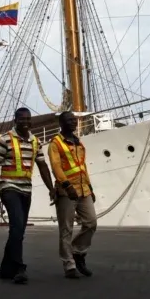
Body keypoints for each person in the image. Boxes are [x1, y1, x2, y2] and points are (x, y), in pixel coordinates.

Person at [0, 107, 54, 284]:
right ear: (15, 120)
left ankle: (5, 269)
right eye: (22, 119)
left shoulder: (35, 142)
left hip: (26, 189)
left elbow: (42, 166)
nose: (25, 122)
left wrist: (51, 188)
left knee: (19, 231)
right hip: (8, 188)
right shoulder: (5, 139)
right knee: (17, 227)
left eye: (28, 119)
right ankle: (19, 268)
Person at [48, 111, 98, 279]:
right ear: (61, 123)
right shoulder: (55, 143)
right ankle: (69, 265)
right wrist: (67, 185)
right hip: (66, 191)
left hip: (84, 189)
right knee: (66, 229)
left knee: (91, 222)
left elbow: (82, 167)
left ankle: (77, 251)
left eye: (73, 120)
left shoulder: (79, 142)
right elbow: (56, 166)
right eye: (68, 120)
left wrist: (90, 187)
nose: (72, 122)